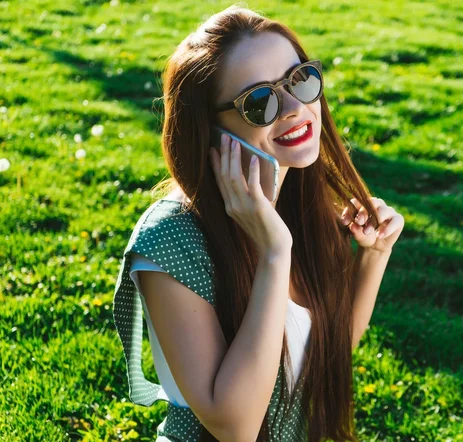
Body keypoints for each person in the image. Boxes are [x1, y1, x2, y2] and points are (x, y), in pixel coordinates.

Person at [112, 4, 405, 442]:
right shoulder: (171, 238)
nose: (292, 107)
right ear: (209, 129)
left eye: (299, 79)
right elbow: (236, 428)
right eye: (259, 101)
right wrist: (273, 253)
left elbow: (322, 353)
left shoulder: (300, 203)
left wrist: (375, 255)